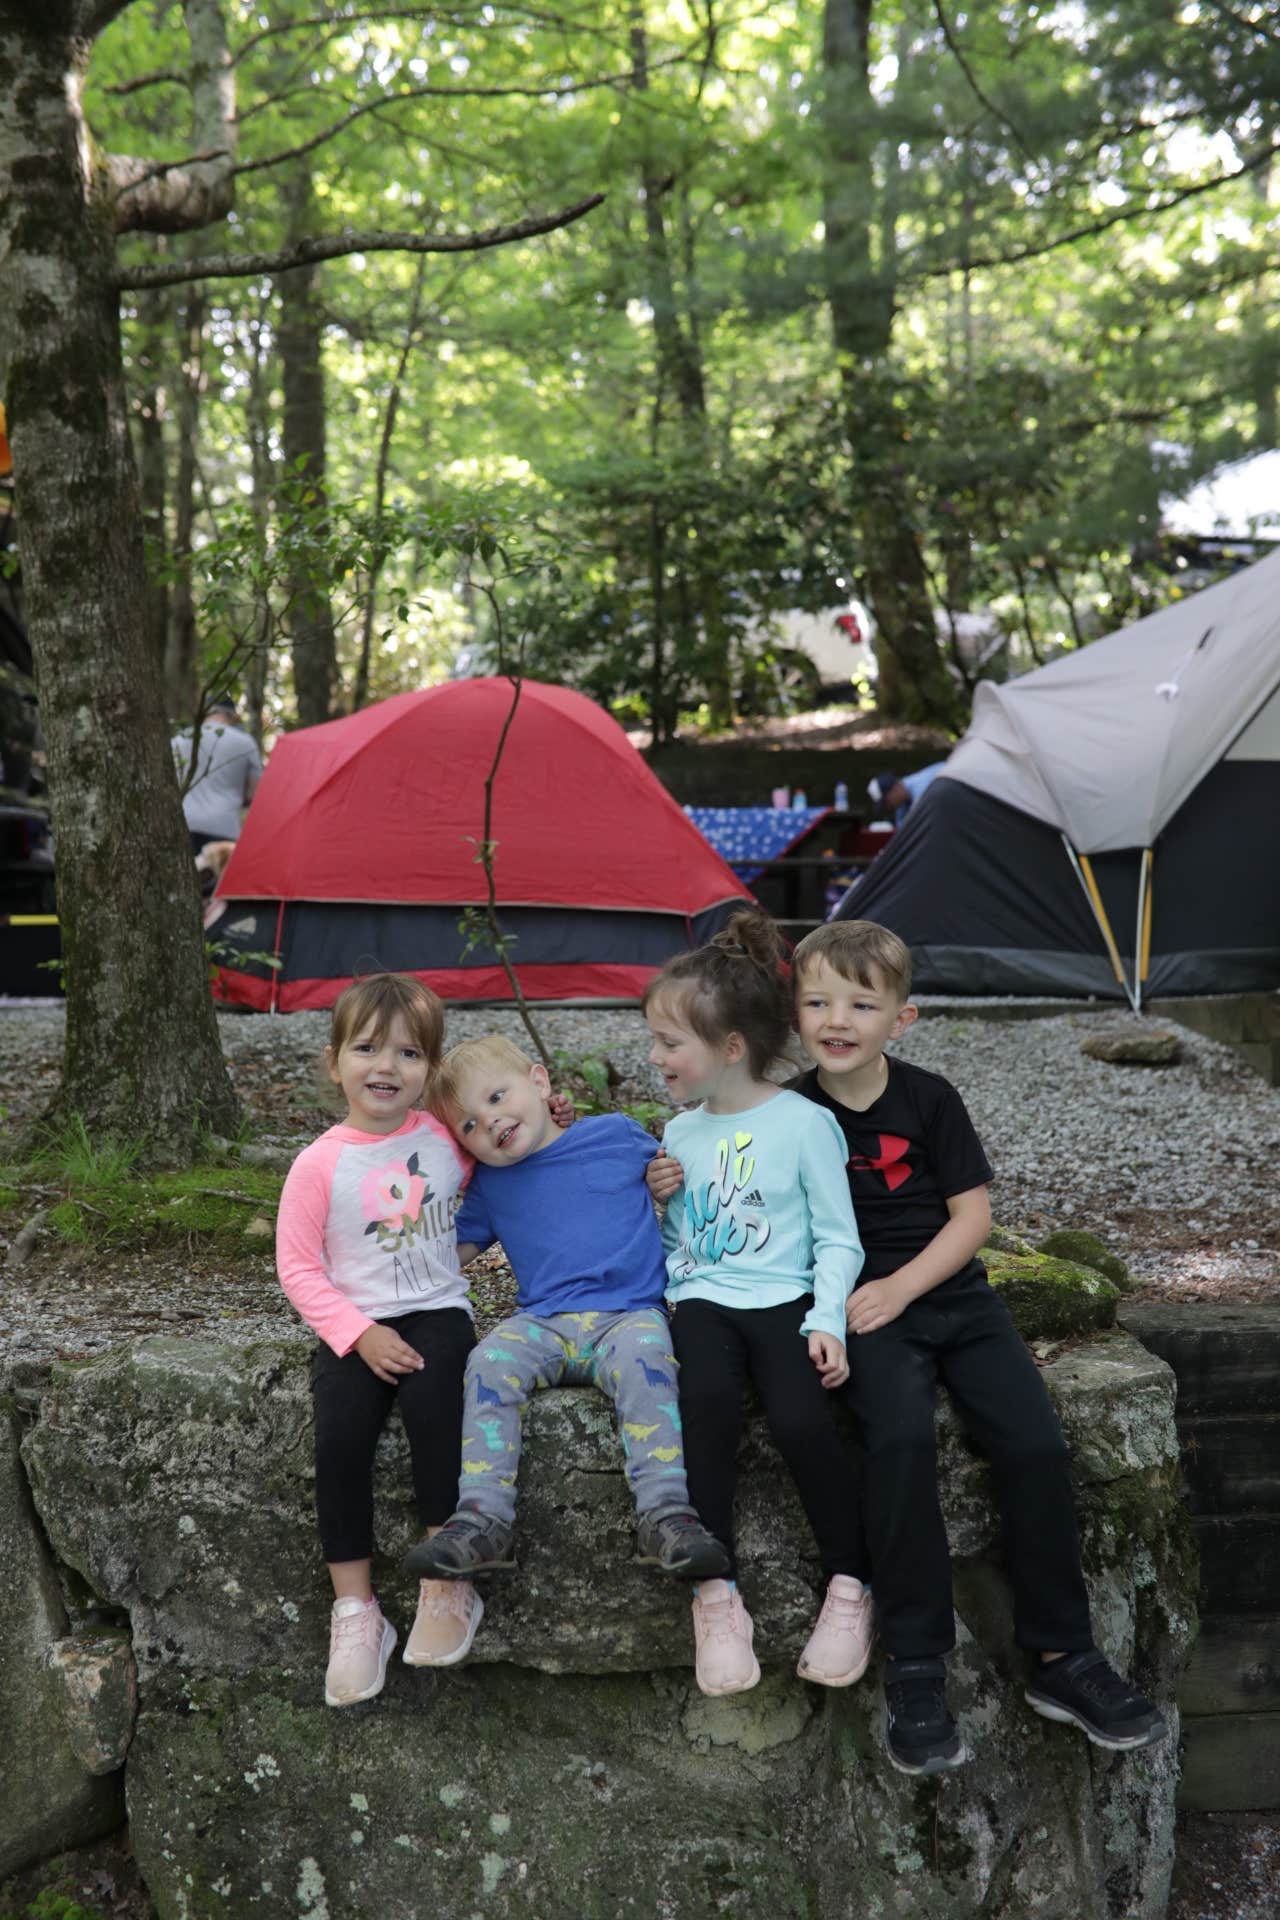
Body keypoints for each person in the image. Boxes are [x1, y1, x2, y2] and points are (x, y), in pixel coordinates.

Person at [785, 918, 1168, 1773]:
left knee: (1032, 1442)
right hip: (858, 1310)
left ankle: (1063, 1656)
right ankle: (916, 1664)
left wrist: (901, 1288)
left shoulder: (929, 1099)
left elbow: (974, 1219)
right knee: (901, 1441)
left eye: (859, 1002)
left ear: (901, 1019)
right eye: (816, 1001)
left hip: (948, 1296)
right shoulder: (790, 1111)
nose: (835, 1018)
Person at [403, 1034, 729, 1612]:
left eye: (499, 1097)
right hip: (544, 1321)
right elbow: (455, 1252)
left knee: (650, 1364)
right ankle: (482, 1516)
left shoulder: (616, 1135)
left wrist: (662, 1180)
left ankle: (666, 1514)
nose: (492, 1123)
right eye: (471, 1126)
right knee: (487, 1362)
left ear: (540, 1081)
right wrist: (382, 1271)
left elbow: (670, 1172)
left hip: (629, 1313)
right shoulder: (491, 1183)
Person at [642, 909, 874, 1700]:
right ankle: (716, 1596)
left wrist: (827, 1319)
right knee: (701, 1405)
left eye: (671, 1044)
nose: (657, 1058)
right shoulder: (679, 1131)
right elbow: (686, 1248)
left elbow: (839, 1239)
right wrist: (661, 1201)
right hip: (703, 1300)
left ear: (730, 1049)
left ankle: (850, 1583)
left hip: (785, 1299)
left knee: (803, 1420)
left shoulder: (805, 1125)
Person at [276, 973, 482, 1708]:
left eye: (408, 1053)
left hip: (436, 1309)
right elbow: (298, 1268)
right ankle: (356, 1610)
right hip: (354, 1321)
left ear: (430, 1070)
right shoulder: (319, 1164)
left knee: (436, 1411)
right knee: (339, 1439)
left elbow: (505, 1147)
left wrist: (542, 1109)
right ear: (335, 1063)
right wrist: (357, 1335)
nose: (386, 1067)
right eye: (367, 1049)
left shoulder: (443, 1140)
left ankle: (443, 1582)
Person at [171, 693, 262, 853]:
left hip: (183, 824)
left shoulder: (179, 739)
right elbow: (255, 792)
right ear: (232, 715)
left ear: (205, 711)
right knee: (219, 878)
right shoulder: (245, 742)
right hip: (225, 827)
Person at [865, 763, 945, 827]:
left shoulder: (922, 790)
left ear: (894, 788)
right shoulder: (903, 803)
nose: (888, 807)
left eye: (886, 802)